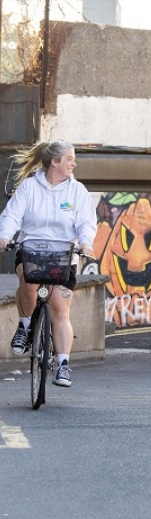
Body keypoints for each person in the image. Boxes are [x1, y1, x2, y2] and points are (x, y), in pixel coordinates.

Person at [0, 140, 97, 388]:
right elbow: (12, 214)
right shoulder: (29, 188)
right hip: (31, 249)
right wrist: (5, 236)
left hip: (63, 255)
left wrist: (86, 243)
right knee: (28, 280)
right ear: (55, 162)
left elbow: (86, 222)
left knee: (60, 310)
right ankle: (24, 325)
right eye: (69, 159)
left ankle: (63, 364)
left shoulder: (78, 192)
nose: (74, 163)